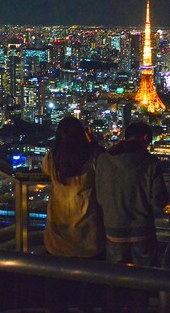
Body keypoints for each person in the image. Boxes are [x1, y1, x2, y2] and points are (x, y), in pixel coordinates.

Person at [95, 121, 169, 313]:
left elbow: (100, 197)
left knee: (112, 282)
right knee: (141, 284)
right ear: (145, 138)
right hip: (142, 233)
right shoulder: (151, 163)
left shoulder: (103, 160)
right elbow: (159, 200)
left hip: (113, 231)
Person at [42, 116, 105, 311]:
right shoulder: (94, 159)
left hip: (58, 239)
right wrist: (92, 141)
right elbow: (107, 161)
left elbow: (46, 172)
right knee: (89, 299)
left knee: (59, 296)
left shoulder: (52, 159)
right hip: (89, 237)